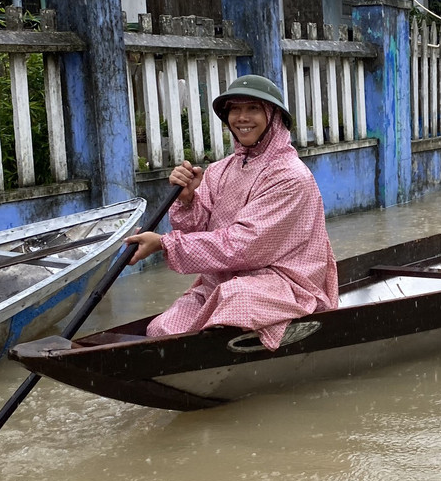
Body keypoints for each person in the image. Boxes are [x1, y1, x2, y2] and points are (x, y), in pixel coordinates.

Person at [124, 74, 339, 350]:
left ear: (273, 116)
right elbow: (197, 235)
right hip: (221, 283)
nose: (242, 118)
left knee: (236, 301)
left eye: (253, 109)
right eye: (235, 109)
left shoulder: (290, 176)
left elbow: (243, 246)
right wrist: (189, 200)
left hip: (287, 283)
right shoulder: (220, 170)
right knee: (162, 328)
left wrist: (163, 243)